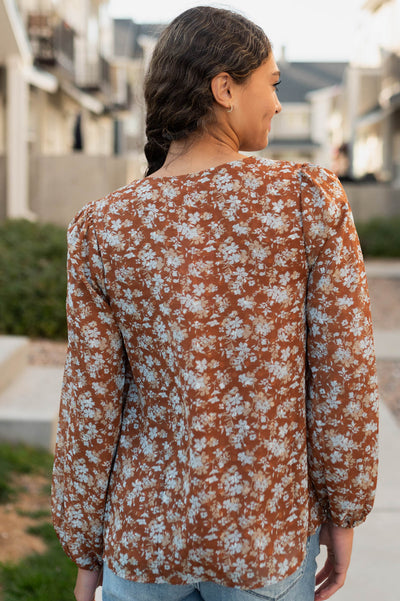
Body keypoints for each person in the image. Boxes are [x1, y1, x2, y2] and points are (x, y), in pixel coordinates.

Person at [51, 6, 379, 601]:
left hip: (144, 541)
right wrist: (344, 509)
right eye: (273, 84)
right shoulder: (306, 201)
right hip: (266, 539)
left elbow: (91, 401)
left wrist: (86, 548)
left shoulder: (102, 227)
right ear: (225, 88)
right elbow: (343, 377)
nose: (278, 103)